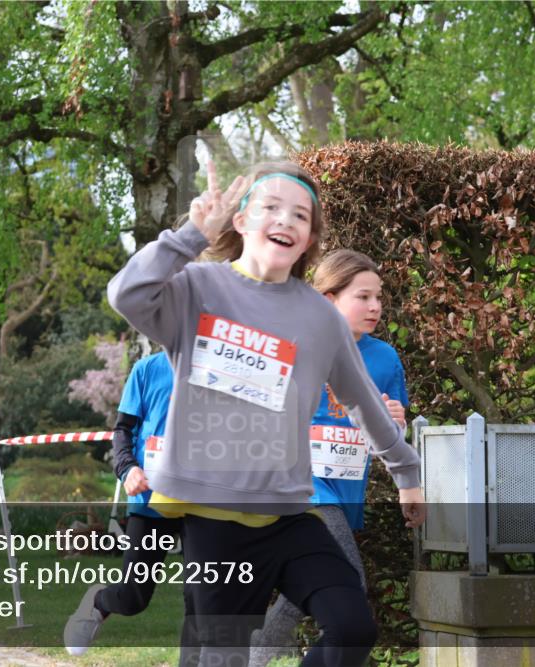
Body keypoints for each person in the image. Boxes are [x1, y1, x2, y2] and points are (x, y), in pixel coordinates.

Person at [106, 161, 426, 666]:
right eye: (271, 207)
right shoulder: (196, 288)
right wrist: (190, 235)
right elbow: (126, 293)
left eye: (301, 215)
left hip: (287, 517)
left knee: (352, 626)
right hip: (213, 526)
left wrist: (407, 474)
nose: (286, 219)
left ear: (309, 240)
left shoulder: (319, 317)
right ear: (239, 222)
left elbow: (364, 401)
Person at [250, 249, 410, 666]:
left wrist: (396, 421)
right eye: (363, 297)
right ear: (328, 298)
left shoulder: (385, 359)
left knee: (298, 594)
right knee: (347, 583)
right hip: (301, 489)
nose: (375, 306)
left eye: (379, 297)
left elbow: (392, 435)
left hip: (345, 491)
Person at [64, 350, 187, 657]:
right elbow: (123, 431)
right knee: (134, 597)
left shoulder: (218, 366)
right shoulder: (147, 369)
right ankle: (98, 601)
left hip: (203, 503)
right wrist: (128, 468)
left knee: (203, 594)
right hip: (151, 500)